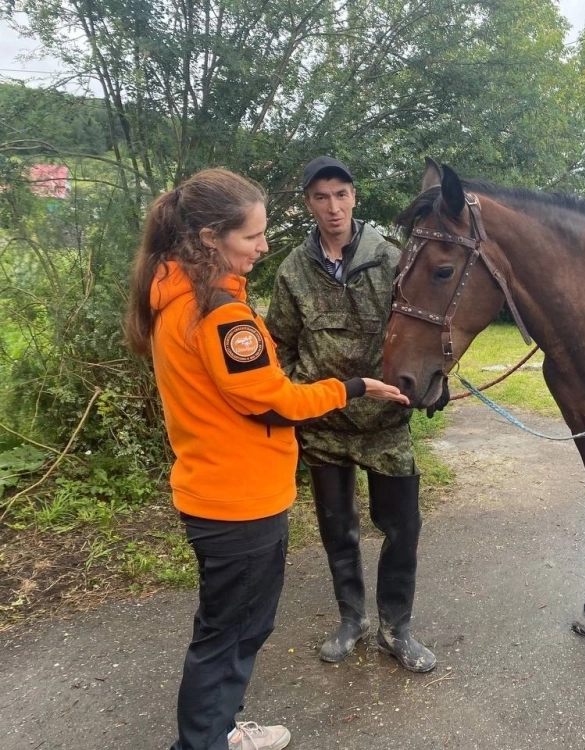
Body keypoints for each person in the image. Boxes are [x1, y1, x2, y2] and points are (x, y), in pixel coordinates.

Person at [123, 168, 409, 750]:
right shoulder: (221, 316)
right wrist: (352, 387)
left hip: (214, 491)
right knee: (231, 634)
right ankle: (204, 740)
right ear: (210, 237)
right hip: (240, 501)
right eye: (252, 236)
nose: (263, 246)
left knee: (225, 628)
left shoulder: (175, 296)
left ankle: (218, 730)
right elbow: (272, 398)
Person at [265, 157, 436, 673]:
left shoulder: (393, 259)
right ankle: (351, 619)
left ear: (355, 197)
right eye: (321, 197)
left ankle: (396, 628)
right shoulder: (294, 270)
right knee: (338, 530)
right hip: (324, 430)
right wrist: (301, 394)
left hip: (385, 426)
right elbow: (280, 344)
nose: (333, 206)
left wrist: (429, 384)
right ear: (308, 204)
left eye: (341, 194)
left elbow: (424, 329)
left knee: (402, 528)